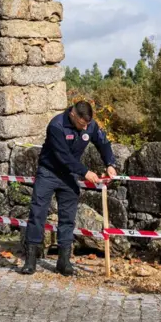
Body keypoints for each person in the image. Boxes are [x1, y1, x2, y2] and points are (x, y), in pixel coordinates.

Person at [19, 100, 118, 276]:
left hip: (69, 176)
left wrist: (110, 163)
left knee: (68, 217)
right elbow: (63, 156)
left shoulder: (90, 125)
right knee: (37, 213)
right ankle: (30, 260)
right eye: (82, 124)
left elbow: (103, 143)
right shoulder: (56, 125)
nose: (85, 128)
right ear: (73, 114)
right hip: (48, 172)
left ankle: (63, 261)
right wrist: (85, 172)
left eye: (87, 124)